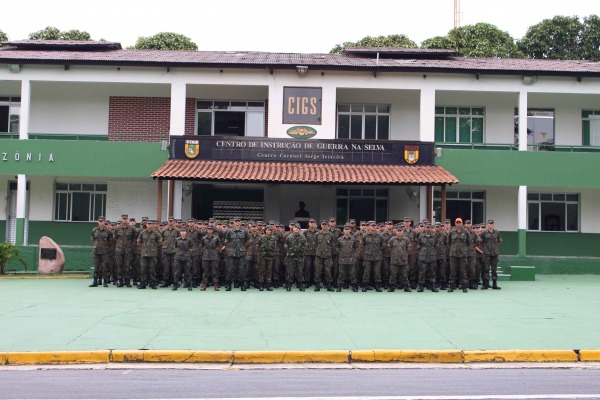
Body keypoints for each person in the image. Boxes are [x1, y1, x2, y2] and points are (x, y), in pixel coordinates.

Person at [223, 217, 251, 291]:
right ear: (234, 222)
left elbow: (249, 241)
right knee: (230, 269)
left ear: (240, 222)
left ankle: (242, 284)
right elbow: (226, 241)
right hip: (232, 253)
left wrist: (244, 247)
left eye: (238, 221)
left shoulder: (245, 231)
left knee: (242, 269)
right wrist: (230, 249)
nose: (237, 222)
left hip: (241, 253)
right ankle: (229, 284)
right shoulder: (229, 231)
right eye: (236, 221)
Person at [137, 220, 162, 289]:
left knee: (152, 269)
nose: (150, 225)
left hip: (153, 254)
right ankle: (143, 283)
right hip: (144, 254)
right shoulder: (142, 233)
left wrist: (154, 247)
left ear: (153, 225)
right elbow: (138, 242)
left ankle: (153, 283)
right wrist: (144, 248)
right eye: (148, 224)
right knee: (143, 269)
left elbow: (160, 242)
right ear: (146, 225)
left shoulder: (156, 233)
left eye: (151, 224)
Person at [447, 218, 471, 293]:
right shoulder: (451, 232)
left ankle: (464, 286)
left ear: (462, 223)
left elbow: (469, 243)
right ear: (455, 223)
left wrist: (463, 249)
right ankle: (451, 286)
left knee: (463, 271)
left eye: (459, 222)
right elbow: (449, 242)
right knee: (453, 271)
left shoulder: (466, 232)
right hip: (453, 254)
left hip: (463, 254)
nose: (458, 224)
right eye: (457, 222)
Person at [361, 221, 384, 292]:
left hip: (377, 257)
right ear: (369, 227)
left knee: (377, 272)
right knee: (366, 271)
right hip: (368, 256)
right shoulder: (365, 235)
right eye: (372, 226)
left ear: (376, 227)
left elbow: (382, 245)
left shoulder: (380, 235)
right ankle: (365, 286)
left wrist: (377, 250)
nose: (373, 227)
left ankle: (377, 286)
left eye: (374, 226)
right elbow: (362, 245)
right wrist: (367, 251)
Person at [479, 219, 502, 290]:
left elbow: (499, 241)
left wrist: (495, 247)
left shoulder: (497, 232)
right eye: (489, 223)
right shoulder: (484, 232)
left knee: (494, 269)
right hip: (486, 254)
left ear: (493, 224)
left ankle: (494, 284)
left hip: (494, 254)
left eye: (492, 223)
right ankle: (486, 284)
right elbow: (480, 241)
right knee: (486, 269)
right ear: (487, 225)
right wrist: (486, 248)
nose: (491, 225)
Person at [90, 216, 113, 287]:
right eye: (99, 221)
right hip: (96, 252)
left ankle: (105, 282)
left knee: (104, 267)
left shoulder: (108, 231)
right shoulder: (94, 230)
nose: (101, 222)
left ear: (104, 222)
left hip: (105, 252)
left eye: (102, 221)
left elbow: (111, 241)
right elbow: (93, 239)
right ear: (98, 222)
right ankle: (95, 281)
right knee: (96, 267)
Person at [388, 225, 412, 292]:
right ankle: (391, 287)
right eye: (398, 231)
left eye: (400, 231)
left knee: (404, 274)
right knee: (393, 274)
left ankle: (406, 287)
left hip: (403, 260)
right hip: (394, 260)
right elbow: (389, 247)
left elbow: (409, 247)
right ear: (396, 232)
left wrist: (403, 253)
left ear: (402, 232)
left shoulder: (406, 239)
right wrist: (394, 253)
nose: (399, 232)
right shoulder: (392, 239)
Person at [416, 223, 438, 292]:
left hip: (432, 257)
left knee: (433, 272)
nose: (428, 229)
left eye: (429, 227)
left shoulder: (434, 236)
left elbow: (436, 246)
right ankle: (421, 286)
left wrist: (432, 252)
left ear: (431, 228)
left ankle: (433, 286)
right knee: (422, 272)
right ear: (424, 228)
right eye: (426, 227)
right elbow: (418, 246)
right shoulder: (421, 236)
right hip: (423, 257)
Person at [114, 214, 135, 288]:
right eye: (123, 218)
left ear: (127, 219)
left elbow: (134, 238)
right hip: (119, 250)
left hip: (128, 250)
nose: (125, 220)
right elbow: (115, 238)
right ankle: (120, 281)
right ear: (121, 219)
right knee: (119, 266)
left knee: (127, 266)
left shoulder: (132, 228)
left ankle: (128, 282)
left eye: (126, 218)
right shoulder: (117, 229)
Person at [284, 223, 307, 291]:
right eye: (295, 228)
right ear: (293, 229)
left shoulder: (303, 237)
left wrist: (302, 252)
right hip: (291, 257)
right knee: (290, 271)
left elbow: (305, 246)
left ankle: (300, 286)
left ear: (300, 229)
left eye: (298, 228)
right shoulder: (289, 237)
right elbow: (286, 246)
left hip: (300, 256)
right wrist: (289, 252)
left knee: (300, 271)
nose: (296, 229)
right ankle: (289, 286)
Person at [336, 224, 358, 292]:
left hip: (351, 260)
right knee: (341, 274)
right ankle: (339, 286)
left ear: (350, 230)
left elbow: (356, 248)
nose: (347, 231)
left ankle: (354, 286)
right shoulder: (339, 239)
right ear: (343, 230)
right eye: (345, 229)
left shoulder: (353, 239)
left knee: (352, 274)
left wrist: (354, 256)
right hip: (342, 259)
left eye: (348, 229)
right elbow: (337, 249)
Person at [314, 220, 334, 291]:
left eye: (325, 224)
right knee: (318, 271)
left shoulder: (330, 234)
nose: (324, 225)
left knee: (328, 271)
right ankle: (317, 285)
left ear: (327, 225)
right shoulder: (317, 234)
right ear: (321, 225)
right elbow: (315, 244)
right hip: (319, 255)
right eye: (323, 224)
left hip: (327, 256)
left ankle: (329, 285)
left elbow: (332, 244)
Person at [200, 225, 221, 291]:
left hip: (214, 256)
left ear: (212, 231)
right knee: (205, 272)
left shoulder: (216, 238)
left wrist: (215, 251)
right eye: (208, 229)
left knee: (214, 272)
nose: (209, 230)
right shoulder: (203, 238)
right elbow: (201, 246)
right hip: (205, 257)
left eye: (211, 229)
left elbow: (219, 246)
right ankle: (204, 285)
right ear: (207, 230)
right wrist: (204, 251)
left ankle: (216, 285)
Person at [257, 225, 278, 291]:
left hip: (270, 256)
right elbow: (258, 245)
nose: (269, 231)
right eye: (268, 230)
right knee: (262, 270)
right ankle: (261, 285)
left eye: (270, 230)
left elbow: (275, 246)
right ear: (265, 230)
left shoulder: (273, 238)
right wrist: (260, 253)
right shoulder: (262, 237)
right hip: (263, 256)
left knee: (269, 271)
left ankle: (268, 285)